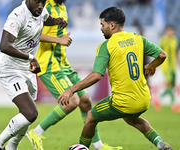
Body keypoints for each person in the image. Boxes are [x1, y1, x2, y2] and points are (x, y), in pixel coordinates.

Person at [58, 7, 173, 150]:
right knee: (131, 118)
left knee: (90, 117)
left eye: (102, 24)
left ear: (112, 25)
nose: (101, 28)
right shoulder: (138, 39)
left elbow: (96, 75)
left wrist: (71, 90)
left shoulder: (106, 46)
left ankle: (81, 148)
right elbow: (162, 55)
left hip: (123, 102)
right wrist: (152, 66)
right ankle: (161, 144)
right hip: (143, 99)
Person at [25, 0, 108, 150]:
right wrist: (59, 40)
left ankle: (98, 146)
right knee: (71, 102)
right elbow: (32, 34)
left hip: (63, 63)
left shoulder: (62, 7)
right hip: (49, 66)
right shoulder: (46, 6)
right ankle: (36, 132)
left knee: (86, 102)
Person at [0, 0, 68, 150]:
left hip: (27, 69)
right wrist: (31, 58)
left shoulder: (40, 11)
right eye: (37, 1)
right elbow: (4, 45)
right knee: (30, 113)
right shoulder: (17, 16)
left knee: (26, 115)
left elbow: (46, 18)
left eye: (43, 2)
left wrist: (57, 21)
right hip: (10, 69)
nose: (40, 5)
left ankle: (12, 147)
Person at [159, 25, 180, 112]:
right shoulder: (163, 41)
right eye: (168, 31)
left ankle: (159, 99)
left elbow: (176, 53)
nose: (170, 32)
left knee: (172, 85)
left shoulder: (175, 40)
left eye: (171, 31)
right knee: (169, 84)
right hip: (166, 66)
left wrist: (178, 63)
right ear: (166, 31)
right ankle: (172, 104)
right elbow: (159, 53)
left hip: (173, 66)